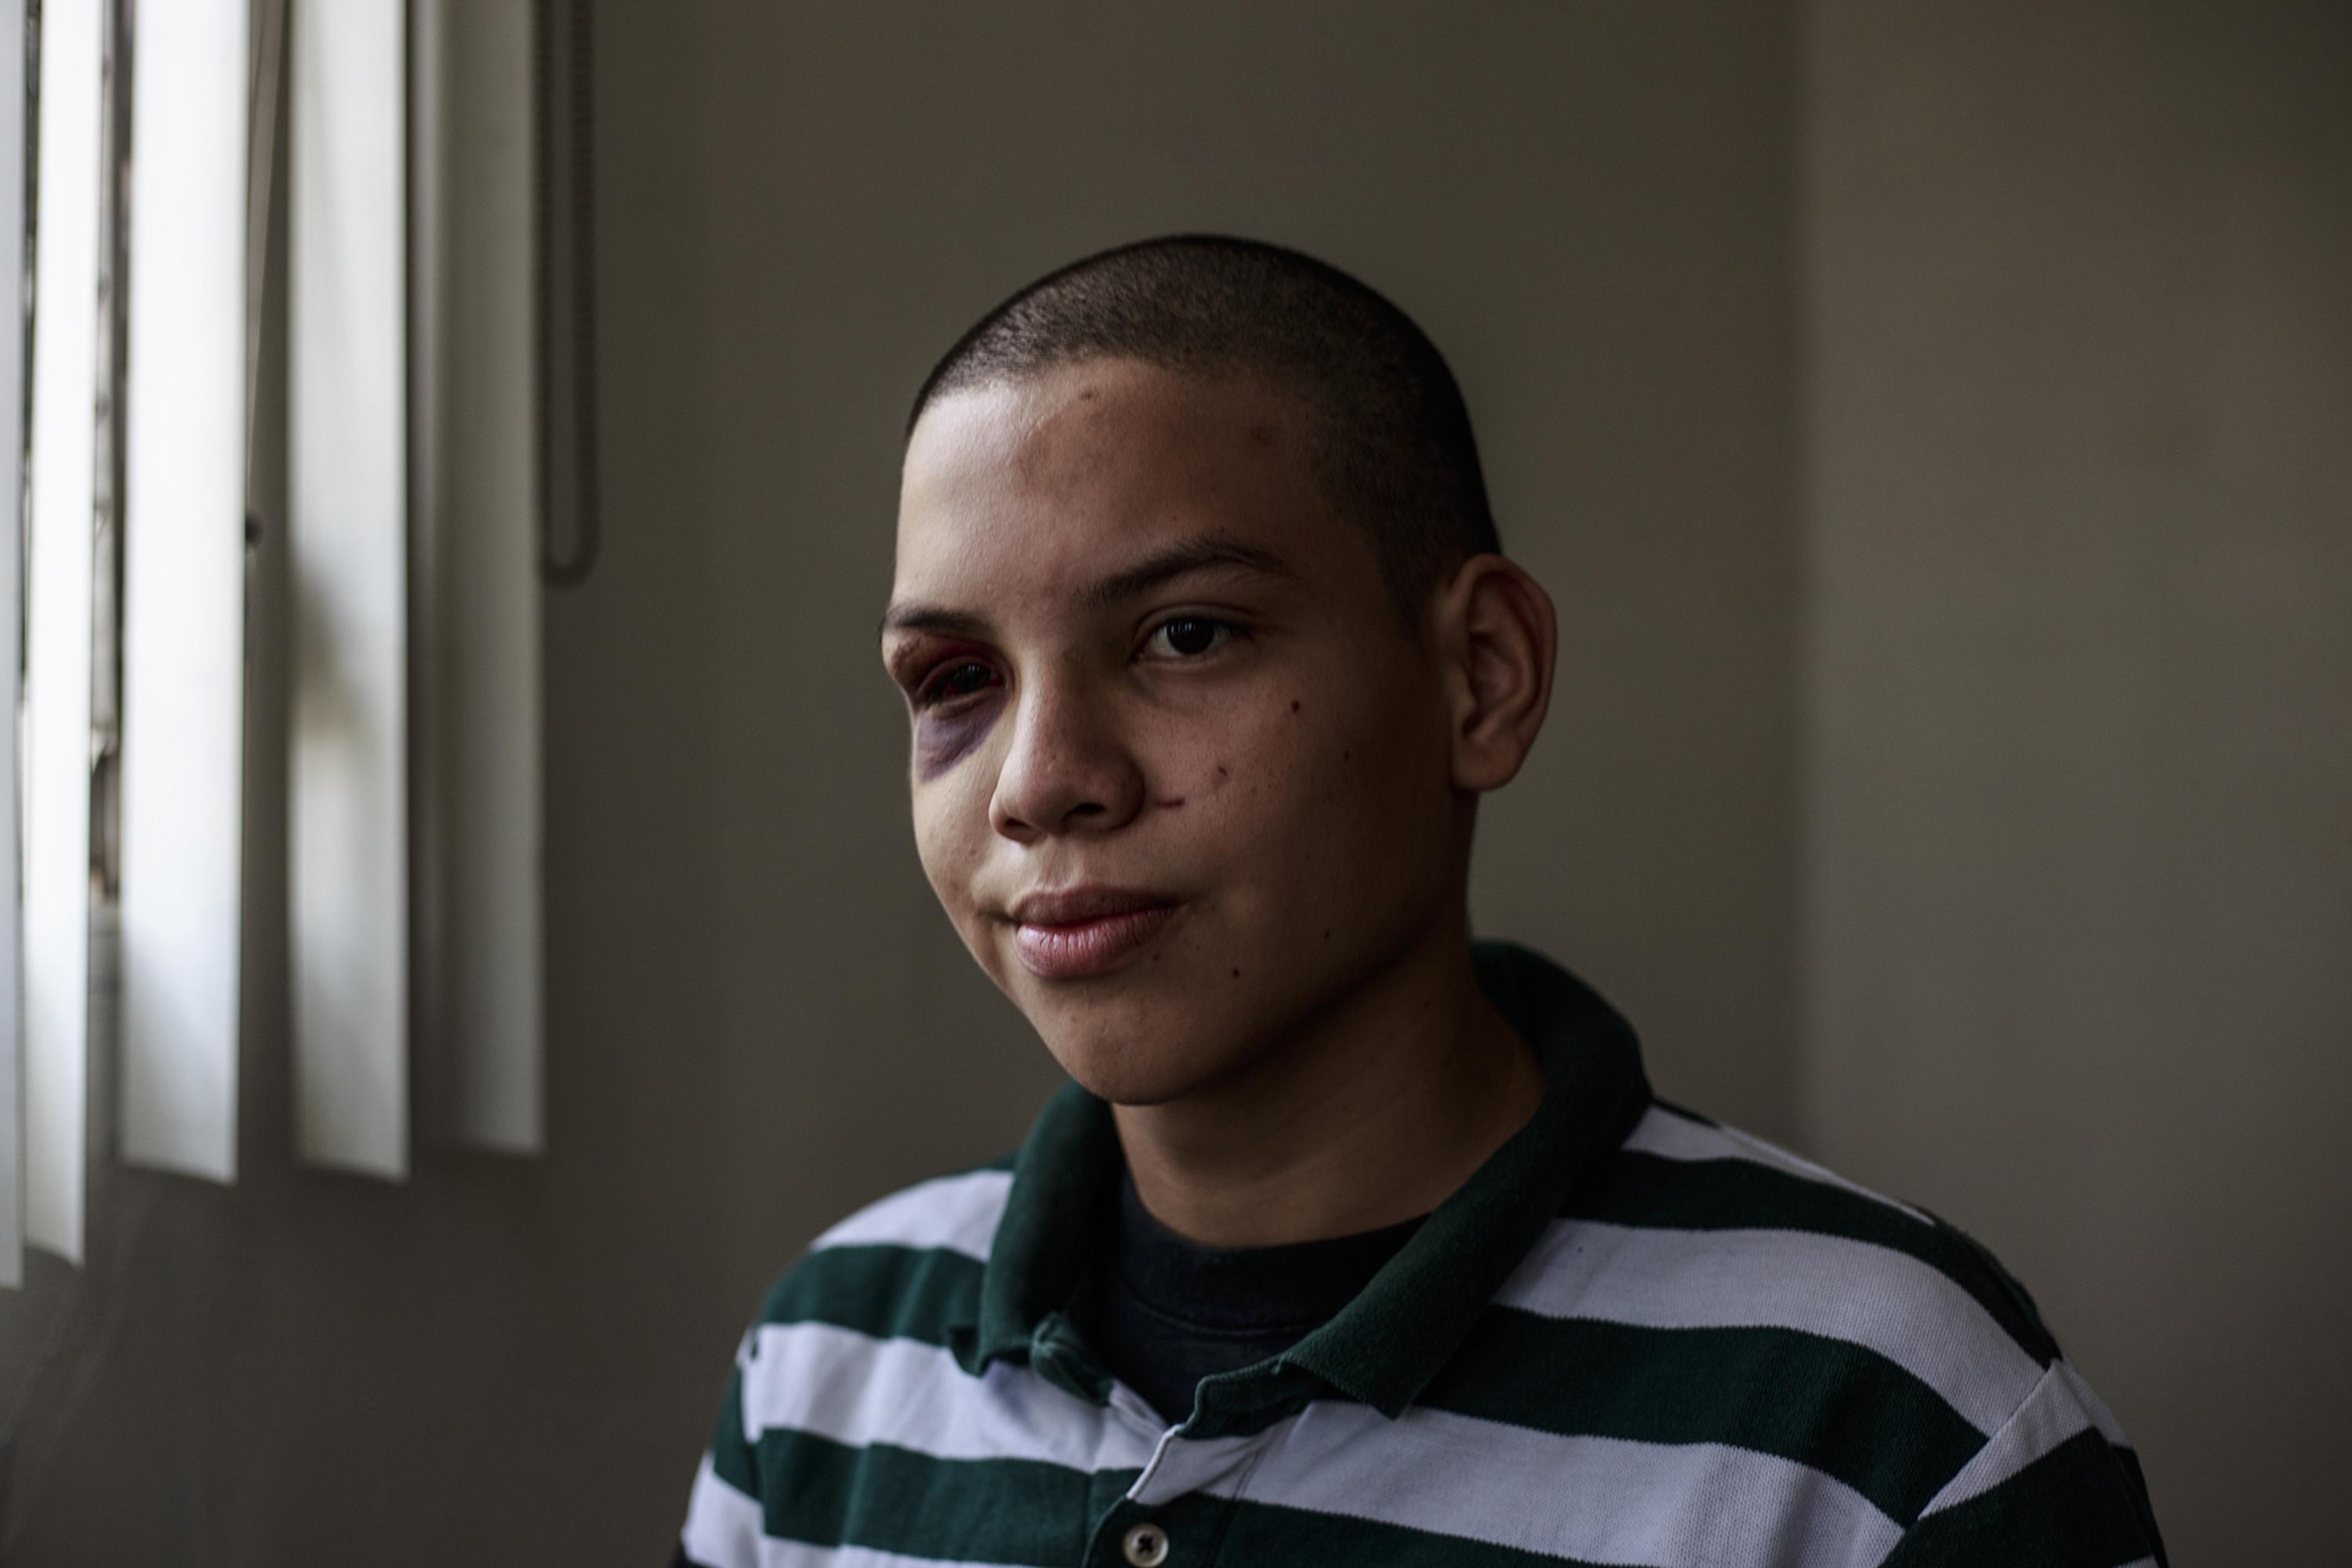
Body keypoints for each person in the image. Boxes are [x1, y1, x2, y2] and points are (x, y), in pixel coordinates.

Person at [674, 236, 2166, 1568]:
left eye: (1187, 634)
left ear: (1481, 677)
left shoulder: (1889, 1427)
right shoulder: (830, 1363)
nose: (1040, 780)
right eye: (955, 683)